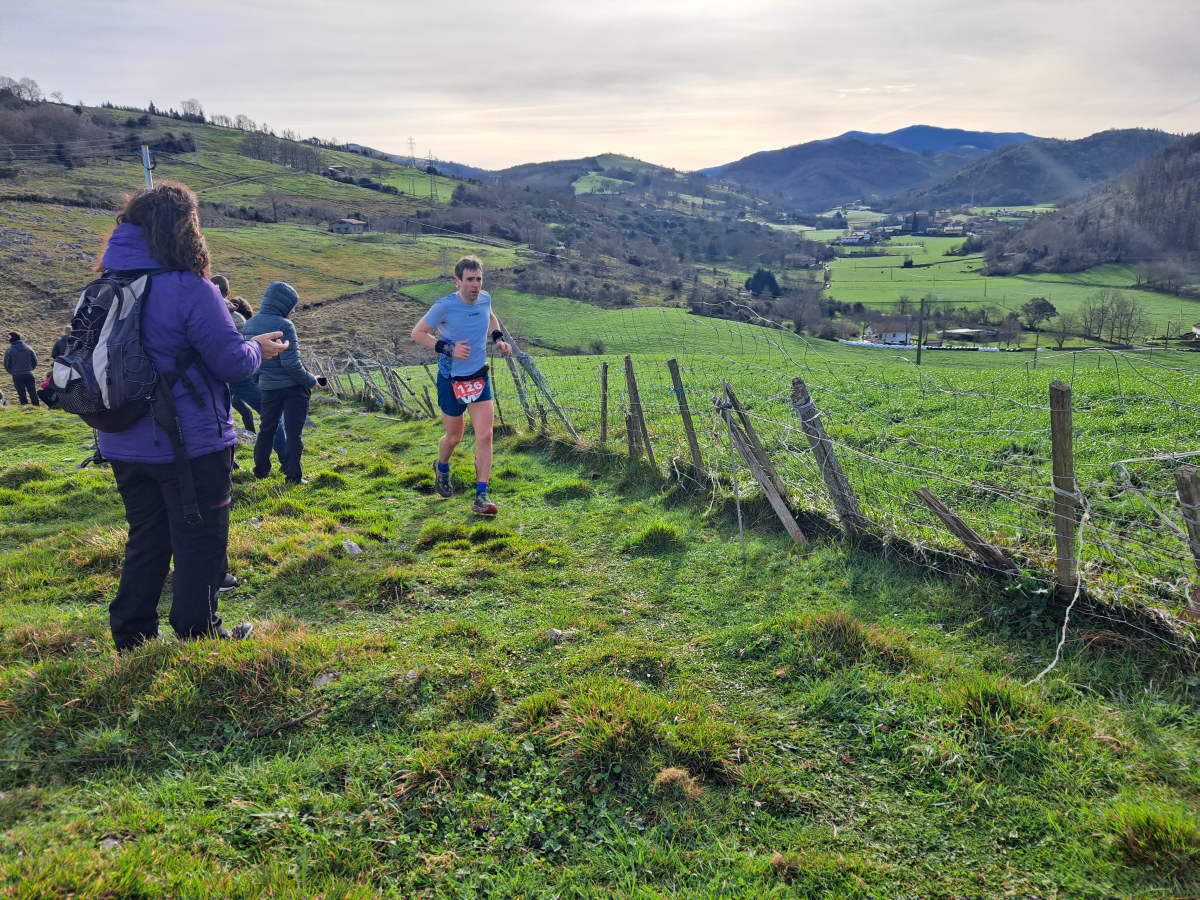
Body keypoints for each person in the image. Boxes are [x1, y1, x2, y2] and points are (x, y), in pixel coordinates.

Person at [94, 180, 288, 652]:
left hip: (119, 439)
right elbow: (231, 363)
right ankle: (197, 630)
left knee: (147, 537)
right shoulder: (189, 287)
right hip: (188, 442)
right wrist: (257, 348)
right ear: (185, 230)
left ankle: (132, 635)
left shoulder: (105, 285)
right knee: (200, 538)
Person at [410, 255, 512, 515]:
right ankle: (442, 467)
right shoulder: (444, 306)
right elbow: (418, 334)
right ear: (458, 281)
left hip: (478, 376)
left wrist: (498, 340)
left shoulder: (486, 299)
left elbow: (491, 317)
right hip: (451, 380)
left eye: (479, 279)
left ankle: (482, 496)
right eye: (470, 280)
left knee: (485, 435)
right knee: (454, 436)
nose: (475, 285)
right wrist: (449, 348)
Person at [241, 281, 325, 486]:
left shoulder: (249, 324)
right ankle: (293, 476)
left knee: (266, 429)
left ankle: (260, 471)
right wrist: (311, 381)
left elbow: (249, 360)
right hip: (292, 390)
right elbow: (292, 364)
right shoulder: (284, 325)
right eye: (292, 305)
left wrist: (260, 380)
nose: (294, 309)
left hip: (267, 388)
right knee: (294, 434)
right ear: (283, 303)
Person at [210, 275, 286, 463]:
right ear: (228, 292)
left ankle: (229, 467)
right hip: (240, 375)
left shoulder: (200, 315)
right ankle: (288, 464)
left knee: (218, 423)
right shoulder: (237, 319)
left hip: (214, 377)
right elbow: (245, 351)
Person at [4, 332, 40, 405]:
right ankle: (37, 408)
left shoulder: (9, 350)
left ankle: (25, 409)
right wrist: (30, 369)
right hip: (29, 373)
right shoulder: (29, 348)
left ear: (12, 339)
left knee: (21, 394)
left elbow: (6, 364)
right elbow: (35, 361)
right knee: (33, 393)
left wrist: (12, 372)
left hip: (17, 375)